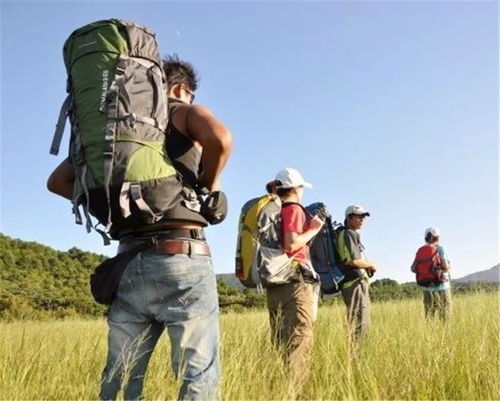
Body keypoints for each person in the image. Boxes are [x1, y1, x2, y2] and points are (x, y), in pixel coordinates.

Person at [47, 55, 232, 401]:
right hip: (182, 256)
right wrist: (211, 185)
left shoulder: (113, 130)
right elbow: (220, 138)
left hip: (128, 263)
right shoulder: (179, 110)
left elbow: (58, 182)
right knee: (198, 374)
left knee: (119, 377)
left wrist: (114, 209)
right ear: (178, 88)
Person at [265, 167, 324, 387]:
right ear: (296, 188)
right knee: (298, 340)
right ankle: (296, 391)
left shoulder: (274, 210)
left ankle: (281, 388)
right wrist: (314, 230)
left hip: (275, 282)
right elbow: (291, 244)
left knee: (281, 340)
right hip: (294, 283)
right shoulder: (293, 209)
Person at [336, 205, 377, 344]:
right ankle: (358, 357)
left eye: (363, 217)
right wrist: (371, 265)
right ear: (349, 217)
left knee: (356, 321)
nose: (362, 220)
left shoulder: (344, 234)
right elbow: (353, 261)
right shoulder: (349, 233)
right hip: (354, 283)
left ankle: (355, 354)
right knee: (361, 323)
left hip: (350, 283)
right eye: (358, 216)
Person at [411, 227, 452, 320]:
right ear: (437, 237)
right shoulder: (440, 249)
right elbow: (446, 267)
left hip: (427, 289)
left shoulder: (420, 251)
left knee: (429, 319)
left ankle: (430, 335)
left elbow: (413, 269)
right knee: (445, 319)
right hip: (442, 287)